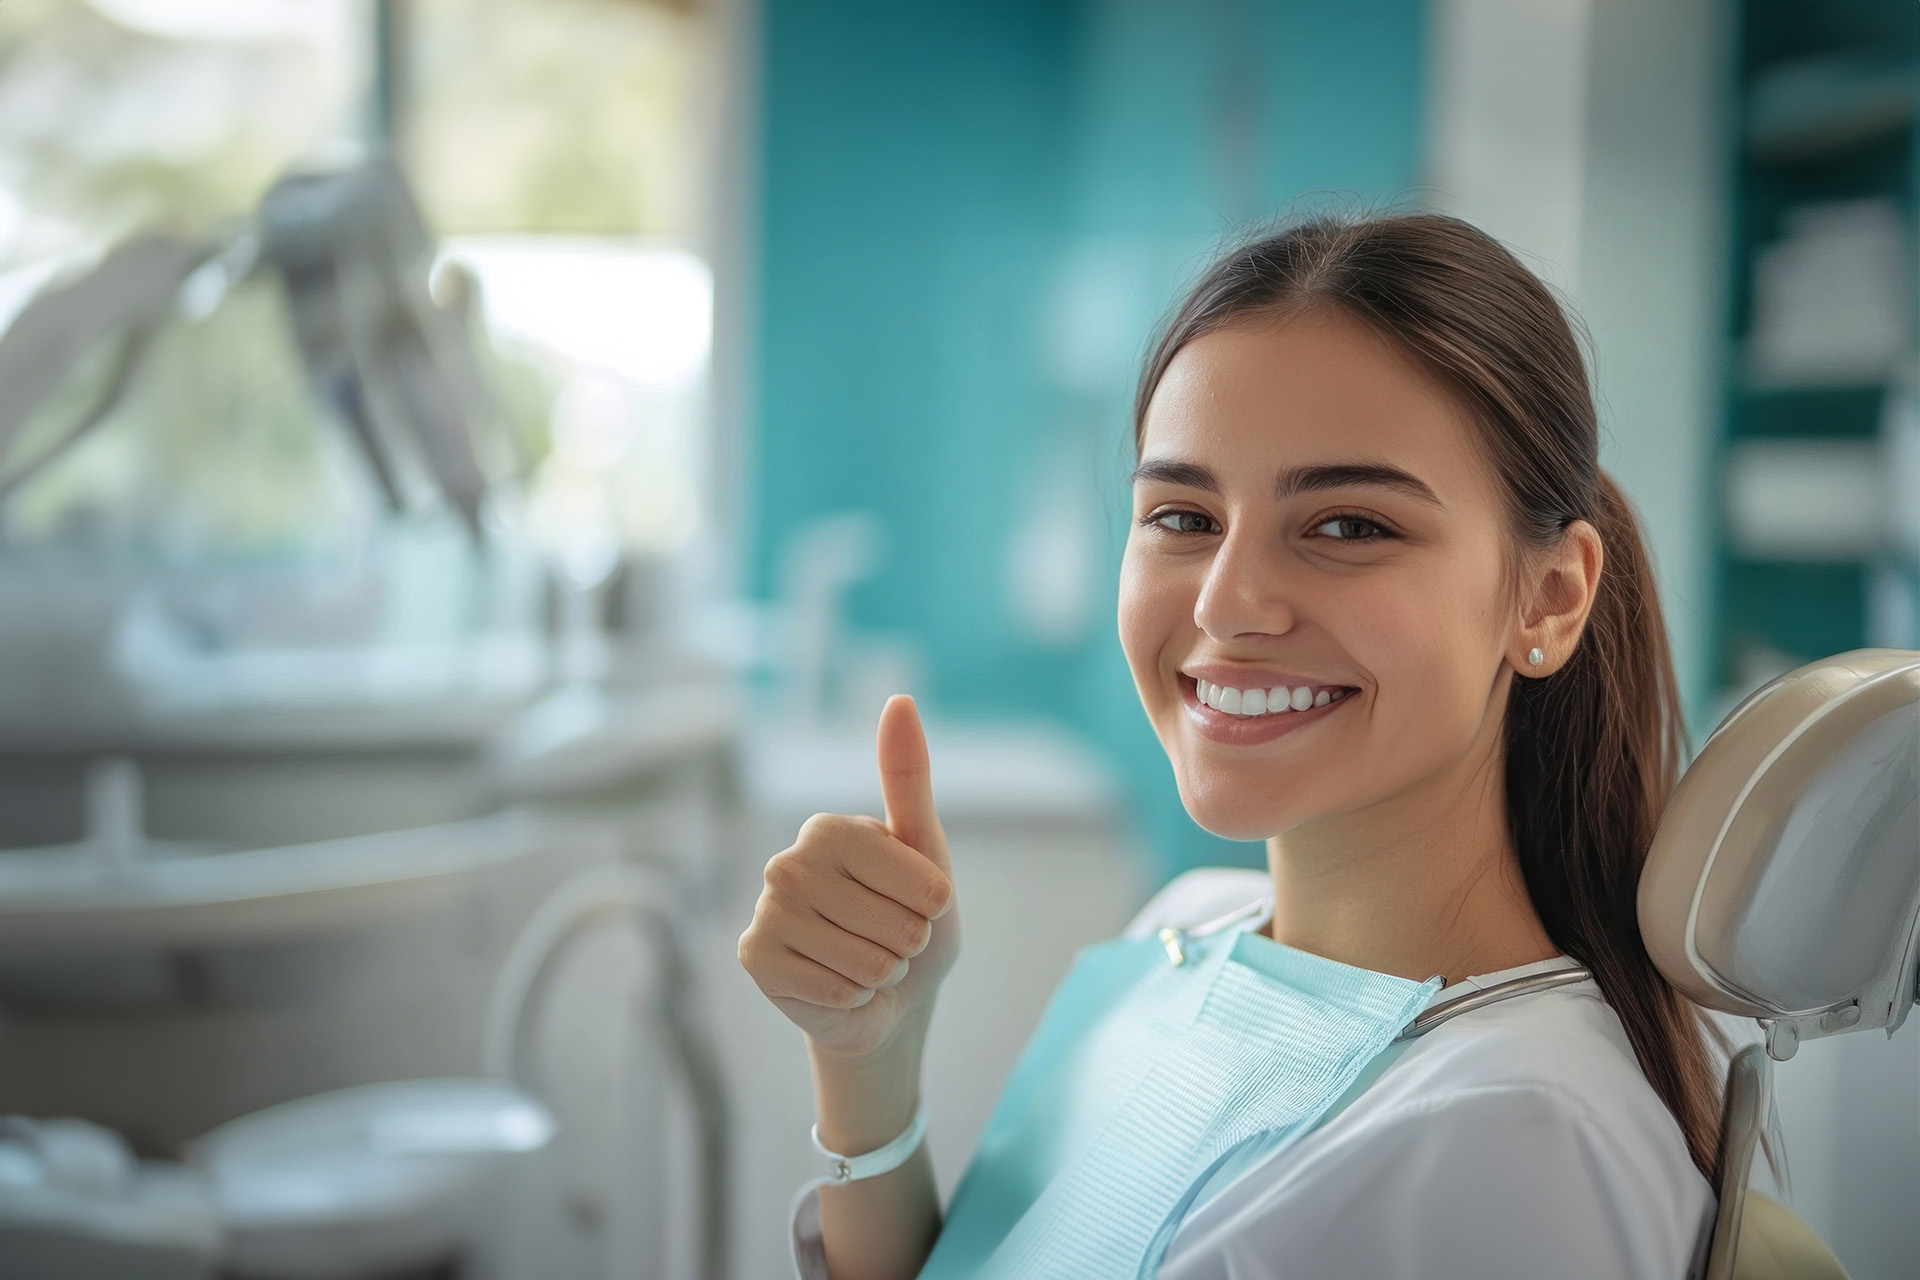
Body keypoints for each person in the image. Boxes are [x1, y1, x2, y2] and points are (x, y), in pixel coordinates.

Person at [737, 213, 1720, 1279]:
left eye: (1349, 525)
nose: (1228, 602)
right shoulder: (1186, 928)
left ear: (1552, 593)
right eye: (1183, 517)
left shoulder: (1517, 1142)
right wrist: (870, 1064)